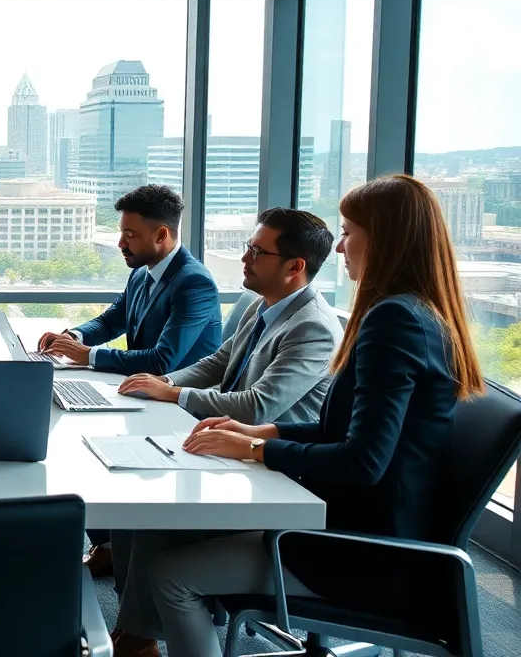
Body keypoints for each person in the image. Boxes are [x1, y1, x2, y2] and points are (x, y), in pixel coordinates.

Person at [110, 175, 485, 657]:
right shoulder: (416, 313)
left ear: (385, 239)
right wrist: (263, 430)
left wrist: (256, 447)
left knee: (171, 576)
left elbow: (363, 460)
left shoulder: (393, 321)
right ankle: (134, 642)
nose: (343, 245)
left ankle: (136, 642)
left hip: (364, 550)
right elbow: (348, 430)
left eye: (350, 231)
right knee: (160, 523)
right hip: (362, 524)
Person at [37, 184, 222, 575]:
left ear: (162, 235)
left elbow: (163, 359)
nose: (121, 242)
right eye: (121, 232)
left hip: (176, 409)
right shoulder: (143, 272)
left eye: (130, 235)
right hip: (141, 397)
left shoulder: (194, 283)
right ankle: (107, 544)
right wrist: (77, 337)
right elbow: (112, 318)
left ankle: (117, 554)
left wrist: (89, 357)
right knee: (75, 438)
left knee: (91, 448)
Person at [118, 207, 342, 426]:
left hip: (264, 456)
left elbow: (257, 407)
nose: (245, 258)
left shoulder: (313, 328)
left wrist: (173, 393)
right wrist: (165, 381)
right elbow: (218, 363)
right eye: (248, 247)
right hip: (225, 434)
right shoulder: (261, 304)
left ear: (295, 267)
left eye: (257, 252)